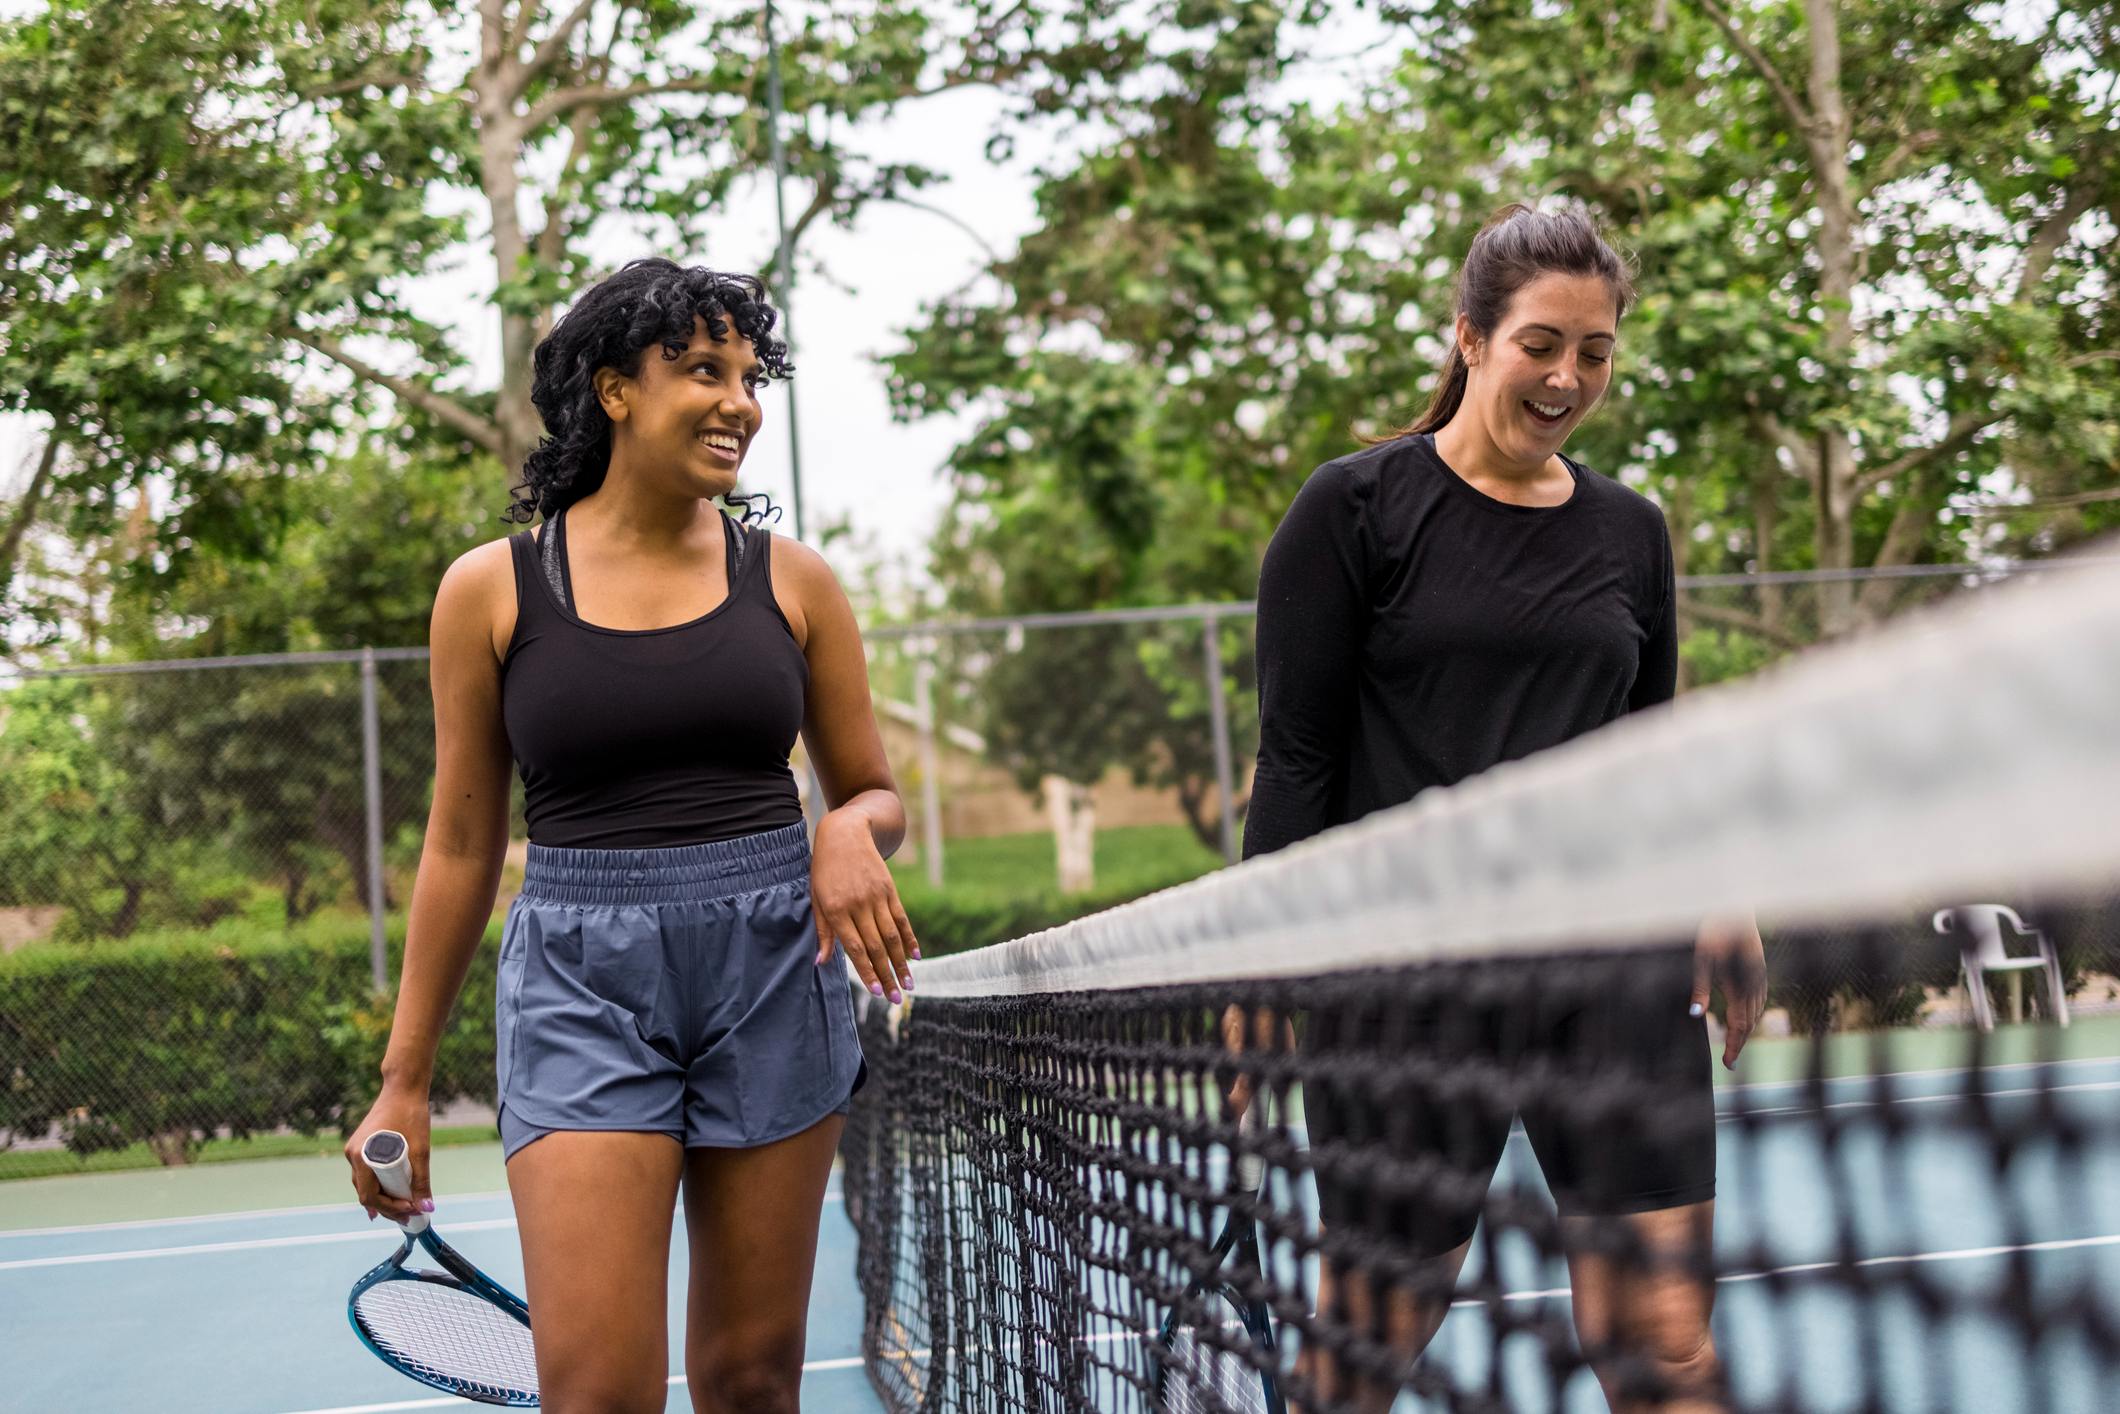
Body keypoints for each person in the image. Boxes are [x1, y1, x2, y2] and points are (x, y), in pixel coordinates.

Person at [344, 258, 918, 1414]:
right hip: (577, 980)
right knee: (598, 1392)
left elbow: (872, 789)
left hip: (775, 970)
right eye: (702, 370)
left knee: (751, 1381)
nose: (738, 401)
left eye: (750, 377)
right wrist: (401, 1082)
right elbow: (460, 841)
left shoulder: (795, 581)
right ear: (612, 391)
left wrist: (851, 830)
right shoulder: (489, 590)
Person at [1243, 204, 1766, 1412]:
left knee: (1666, 1347)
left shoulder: (1630, 532)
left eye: (1594, 350)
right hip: (1406, 984)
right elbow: (1298, 763)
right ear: (1470, 336)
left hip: (1612, 974)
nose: (1567, 376)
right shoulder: (1353, 509)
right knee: (1372, 1342)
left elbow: (1645, 749)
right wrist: (1255, 968)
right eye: (1541, 343)